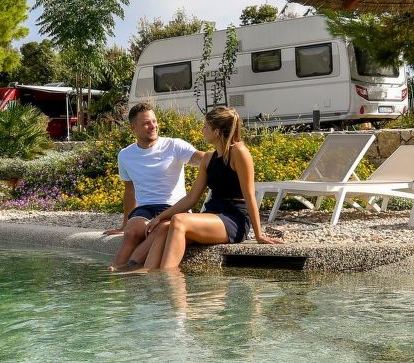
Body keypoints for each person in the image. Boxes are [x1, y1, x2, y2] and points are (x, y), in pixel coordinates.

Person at [135, 104, 281, 270]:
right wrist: (160, 217)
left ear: (216, 132)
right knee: (163, 228)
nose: (202, 130)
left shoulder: (239, 152)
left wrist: (259, 235)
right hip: (212, 215)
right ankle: (149, 279)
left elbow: (249, 195)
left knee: (178, 220)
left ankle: (167, 280)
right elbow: (191, 198)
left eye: (205, 127)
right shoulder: (208, 158)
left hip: (233, 219)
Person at [104, 101, 198, 271]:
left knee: (159, 229)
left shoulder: (174, 145)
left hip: (174, 207)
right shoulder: (125, 155)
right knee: (132, 232)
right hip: (145, 208)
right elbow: (130, 190)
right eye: (146, 123)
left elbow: (201, 158)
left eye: (154, 121)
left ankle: (129, 267)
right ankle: (117, 271)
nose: (152, 126)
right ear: (134, 128)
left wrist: (225, 151)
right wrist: (124, 224)